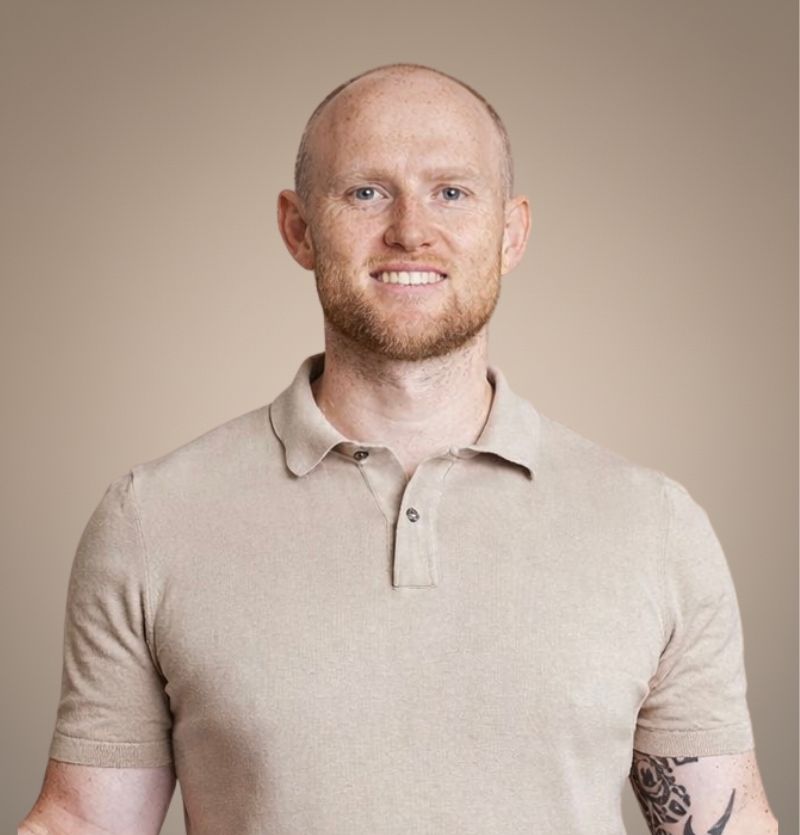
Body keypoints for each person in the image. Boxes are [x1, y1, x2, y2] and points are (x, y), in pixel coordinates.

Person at [20, 63, 777, 835]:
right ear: (298, 228)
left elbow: (727, 823)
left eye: (452, 191)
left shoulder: (655, 527)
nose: (411, 228)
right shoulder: (152, 519)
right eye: (366, 192)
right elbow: (84, 822)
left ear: (511, 232)